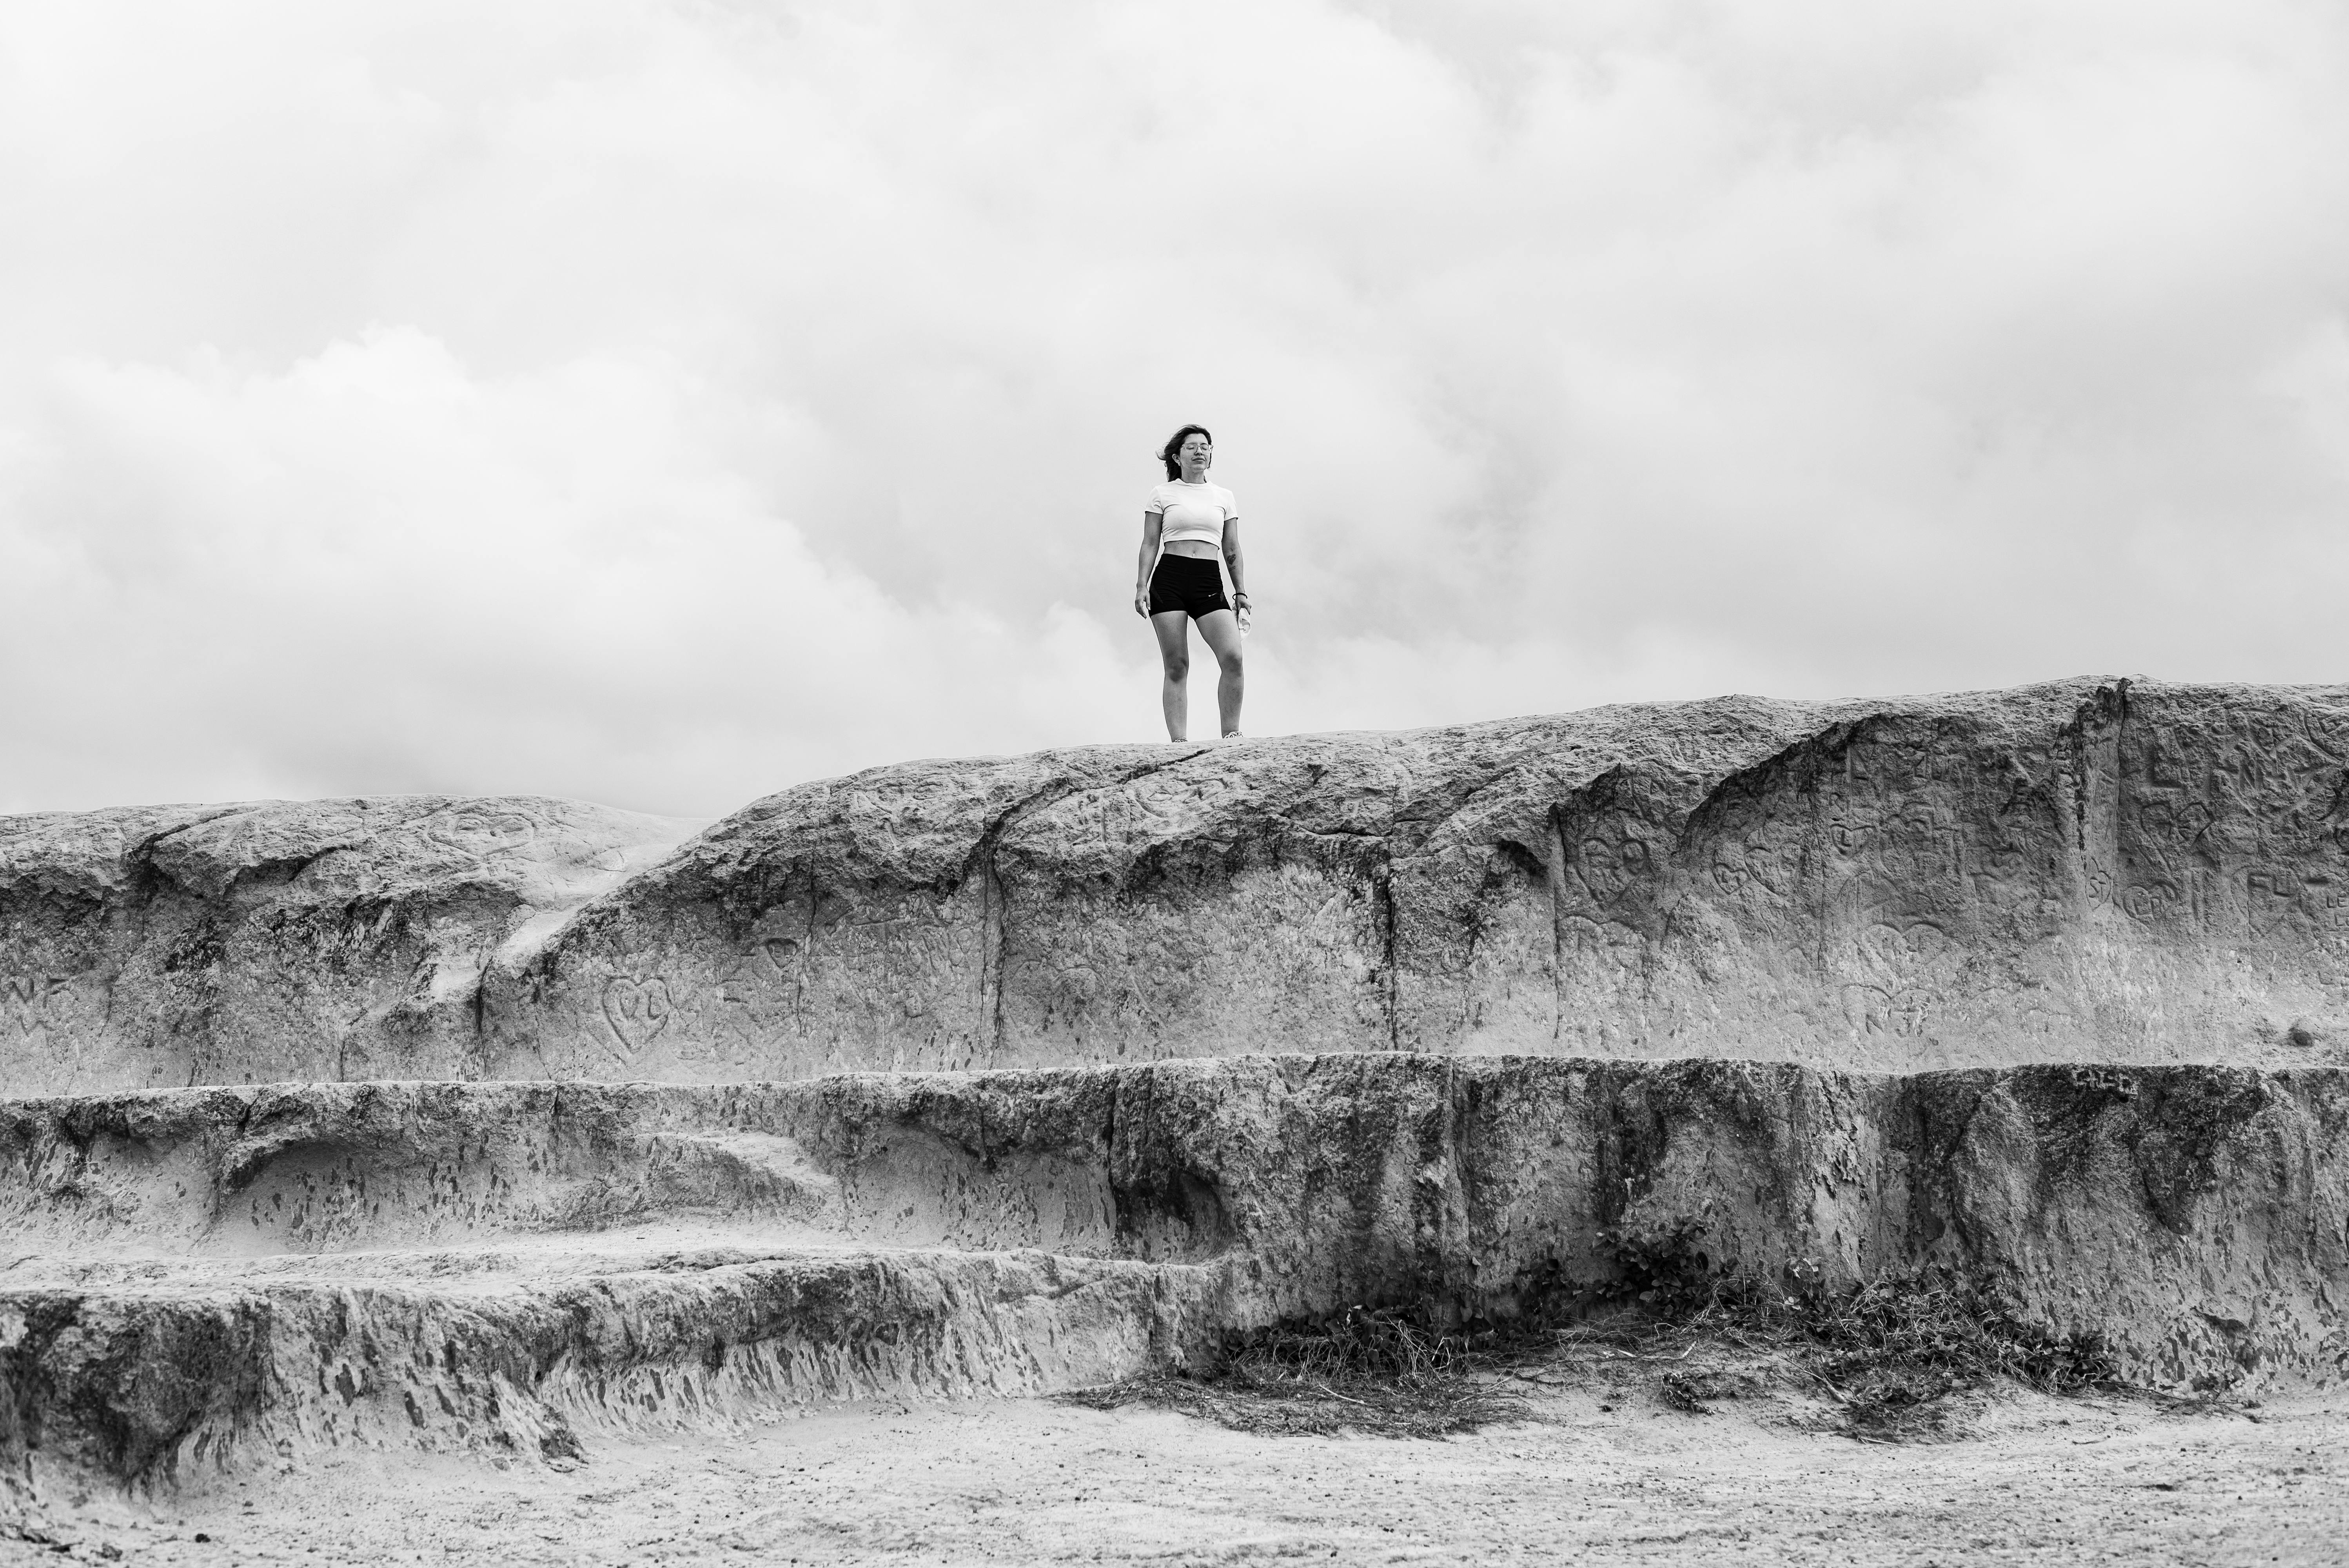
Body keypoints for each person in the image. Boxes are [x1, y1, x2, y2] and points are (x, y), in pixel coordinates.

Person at [1134, 424, 1250, 741]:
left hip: (1208, 580)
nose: (1200, 451)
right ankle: (1179, 742)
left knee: (1234, 657)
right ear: (1178, 455)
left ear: (1210, 455)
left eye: (1205, 446)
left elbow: (1232, 549)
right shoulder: (1162, 493)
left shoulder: (1224, 497)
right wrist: (1141, 585)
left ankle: (1232, 734)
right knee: (1177, 665)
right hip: (1169, 578)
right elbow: (1150, 543)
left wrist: (1240, 591)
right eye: (1192, 446)